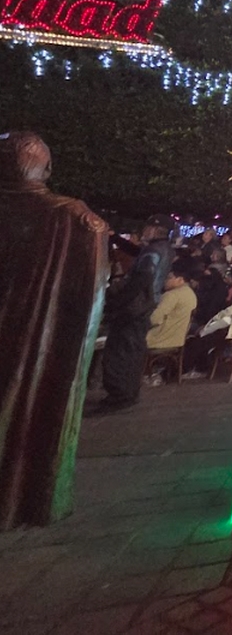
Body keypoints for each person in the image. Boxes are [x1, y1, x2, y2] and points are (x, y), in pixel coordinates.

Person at [0, 132, 109, 530]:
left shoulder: (70, 216)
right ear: (46, 168)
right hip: (41, 341)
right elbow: (92, 295)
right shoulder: (73, 218)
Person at [100, 214, 175, 411]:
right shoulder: (164, 248)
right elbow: (137, 252)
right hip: (146, 307)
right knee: (133, 350)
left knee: (121, 351)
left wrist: (117, 302)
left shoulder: (153, 251)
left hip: (134, 308)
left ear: (156, 230)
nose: (144, 231)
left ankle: (119, 396)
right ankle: (128, 394)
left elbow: (141, 279)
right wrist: (114, 237)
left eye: (147, 227)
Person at [146, 268, 197, 351]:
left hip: (159, 340)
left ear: (180, 279)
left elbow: (154, 319)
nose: (165, 281)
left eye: (169, 278)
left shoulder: (172, 295)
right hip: (178, 341)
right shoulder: (191, 294)